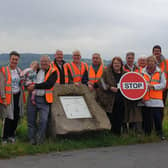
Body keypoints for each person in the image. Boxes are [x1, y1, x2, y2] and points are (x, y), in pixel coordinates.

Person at [27, 55, 57, 145]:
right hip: (32, 98)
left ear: (49, 62)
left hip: (45, 100)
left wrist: (35, 86)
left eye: (46, 61)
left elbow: (49, 84)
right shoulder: (36, 70)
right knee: (31, 120)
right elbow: (26, 77)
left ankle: (40, 139)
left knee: (43, 121)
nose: (44, 63)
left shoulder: (53, 71)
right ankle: (31, 139)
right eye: (42, 61)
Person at [0, 51, 25, 144]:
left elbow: (21, 82)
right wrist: (3, 97)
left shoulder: (19, 70)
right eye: (13, 59)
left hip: (17, 96)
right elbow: (1, 84)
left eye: (16, 59)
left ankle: (11, 135)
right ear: (10, 59)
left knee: (16, 116)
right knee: (8, 117)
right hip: (7, 97)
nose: (14, 61)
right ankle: (4, 137)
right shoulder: (4, 70)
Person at [96, 57, 126, 135]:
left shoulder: (125, 73)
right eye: (115, 63)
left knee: (119, 117)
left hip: (121, 99)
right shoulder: (106, 72)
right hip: (109, 99)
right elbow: (101, 83)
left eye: (118, 63)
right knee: (111, 116)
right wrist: (110, 88)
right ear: (112, 64)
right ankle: (109, 134)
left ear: (121, 64)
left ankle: (118, 134)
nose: (116, 65)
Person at [142, 55, 166, 140]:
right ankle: (147, 135)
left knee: (158, 119)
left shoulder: (160, 72)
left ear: (155, 62)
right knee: (147, 119)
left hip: (157, 100)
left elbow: (163, 84)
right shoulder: (142, 72)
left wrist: (153, 86)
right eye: (149, 61)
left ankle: (159, 134)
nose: (150, 63)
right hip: (145, 100)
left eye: (152, 61)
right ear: (147, 63)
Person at [123, 52, 142, 132]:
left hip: (136, 95)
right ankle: (125, 130)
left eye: (131, 58)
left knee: (134, 112)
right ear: (126, 59)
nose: (130, 59)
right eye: (128, 58)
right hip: (125, 94)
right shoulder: (122, 68)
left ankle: (133, 129)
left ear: (134, 59)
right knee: (125, 112)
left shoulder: (138, 69)